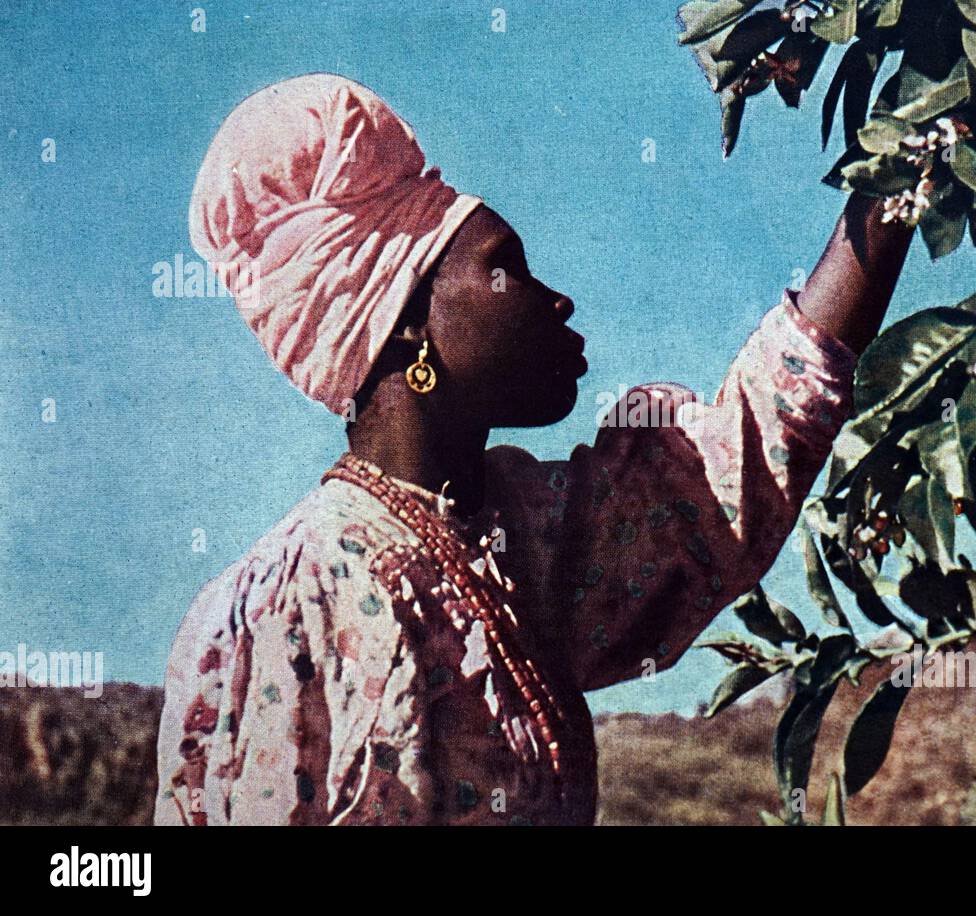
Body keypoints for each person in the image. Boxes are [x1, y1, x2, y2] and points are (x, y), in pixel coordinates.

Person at [154, 73, 913, 826]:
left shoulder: (518, 544)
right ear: (407, 320)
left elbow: (729, 471)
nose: (556, 299)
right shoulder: (298, 602)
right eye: (504, 266)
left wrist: (918, 139)